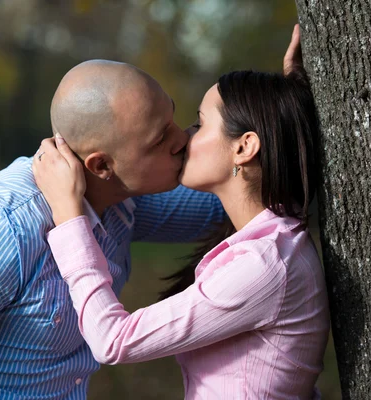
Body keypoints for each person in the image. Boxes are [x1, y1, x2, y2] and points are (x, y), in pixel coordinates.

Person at [0, 27, 304, 399]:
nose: (182, 138)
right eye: (158, 138)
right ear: (101, 165)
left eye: (174, 118)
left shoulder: (121, 201)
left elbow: (246, 199)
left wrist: (278, 118)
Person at [32, 62, 330, 397]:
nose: (184, 137)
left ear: (244, 147)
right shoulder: (274, 240)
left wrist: (69, 215)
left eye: (200, 124)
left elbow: (113, 341)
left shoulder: (264, 265)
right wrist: (292, 88)